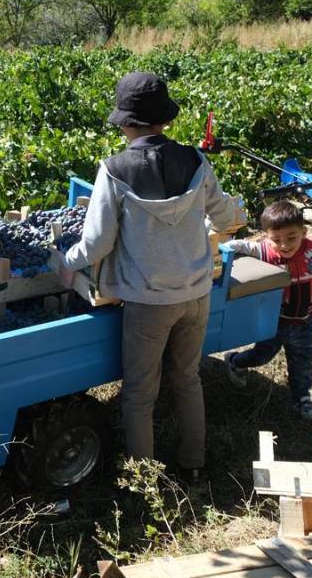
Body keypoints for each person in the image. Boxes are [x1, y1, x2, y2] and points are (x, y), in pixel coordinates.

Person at [58, 72, 244, 483]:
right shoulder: (196, 160)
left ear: (125, 123)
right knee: (187, 379)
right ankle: (193, 465)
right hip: (197, 294)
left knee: (140, 394)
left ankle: (145, 482)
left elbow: (96, 244)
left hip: (148, 303)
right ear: (165, 120)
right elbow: (228, 217)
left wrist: (64, 260)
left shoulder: (115, 170)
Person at [223, 200, 312, 421]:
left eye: (291, 238)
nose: (284, 245)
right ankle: (235, 361)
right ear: (266, 237)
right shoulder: (263, 250)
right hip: (275, 321)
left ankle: (302, 399)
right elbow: (240, 245)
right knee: (262, 355)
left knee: (302, 362)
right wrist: (221, 247)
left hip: (305, 321)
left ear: (304, 232)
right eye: (276, 240)